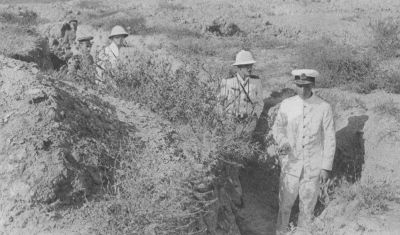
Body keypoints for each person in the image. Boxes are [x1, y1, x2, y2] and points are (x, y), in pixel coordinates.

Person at [272, 69, 336, 235]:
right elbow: (277, 128)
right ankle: (280, 232)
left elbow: (330, 139)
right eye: (299, 86)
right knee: (285, 205)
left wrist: (326, 167)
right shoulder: (287, 104)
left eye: (306, 86)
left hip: (312, 167)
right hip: (291, 165)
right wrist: (283, 141)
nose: (302, 90)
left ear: (312, 84)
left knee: (307, 207)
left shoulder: (324, 107)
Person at [218, 50, 263, 124]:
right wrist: (223, 120)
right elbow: (220, 103)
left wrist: (255, 118)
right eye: (246, 66)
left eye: (251, 65)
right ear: (239, 67)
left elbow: (260, 103)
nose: (250, 68)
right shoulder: (227, 81)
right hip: (230, 122)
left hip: (248, 122)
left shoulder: (256, 82)